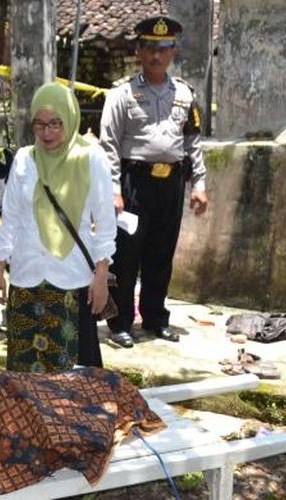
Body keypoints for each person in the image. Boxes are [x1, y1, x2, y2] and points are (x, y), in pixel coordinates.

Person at [0, 82, 116, 374]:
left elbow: (106, 224)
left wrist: (100, 275)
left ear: (70, 119)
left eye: (55, 124)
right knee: (26, 371)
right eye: (40, 124)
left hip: (70, 278)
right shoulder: (24, 159)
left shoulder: (91, 158)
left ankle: (75, 420)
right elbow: (11, 217)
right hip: (26, 277)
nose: (47, 133)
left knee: (73, 371)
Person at [98, 16, 208, 347]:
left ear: (173, 50)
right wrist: (114, 190)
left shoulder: (185, 94)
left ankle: (156, 318)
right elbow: (109, 145)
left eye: (163, 48)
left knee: (161, 253)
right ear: (139, 51)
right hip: (134, 184)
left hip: (171, 184)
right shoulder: (122, 93)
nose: (156, 56)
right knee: (127, 255)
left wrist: (199, 184)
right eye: (149, 48)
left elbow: (192, 142)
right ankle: (119, 323)